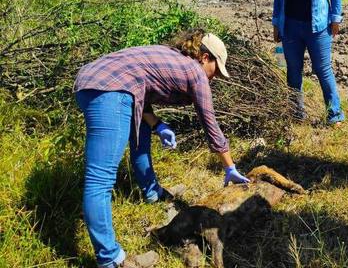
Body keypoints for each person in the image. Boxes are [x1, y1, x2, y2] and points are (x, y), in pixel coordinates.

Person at [74, 29, 250, 268]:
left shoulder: (173, 57)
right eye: (216, 71)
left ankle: (152, 192)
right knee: (100, 179)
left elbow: (141, 90)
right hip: (110, 90)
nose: (215, 78)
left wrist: (157, 125)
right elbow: (211, 124)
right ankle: (109, 259)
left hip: (95, 83)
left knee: (141, 137)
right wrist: (230, 167)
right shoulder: (196, 73)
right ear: (205, 58)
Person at [272, 0, 345, 126]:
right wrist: (276, 24)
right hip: (291, 28)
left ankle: (335, 115)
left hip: (318, 27)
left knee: (323, 70)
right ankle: (297, 114)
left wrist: (335, 18)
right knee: (293, 71)